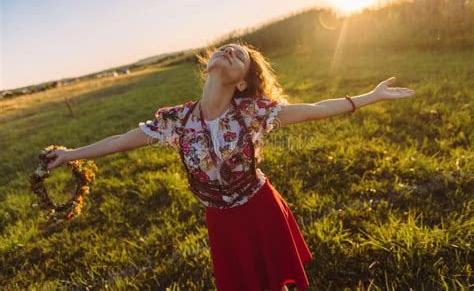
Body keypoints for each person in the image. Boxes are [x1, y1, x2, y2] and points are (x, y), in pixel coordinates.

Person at [46, 41, 415, 290]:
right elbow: (118, 142)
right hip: (220, 218)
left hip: (260, 208)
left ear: (241, 83)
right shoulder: (176, 120)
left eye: (239, 56)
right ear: (208, 66)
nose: (229, 51)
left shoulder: (252, 112)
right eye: (225, 48)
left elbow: (315, 110)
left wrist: (370, 97)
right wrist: (69, 153)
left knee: (277, 280)